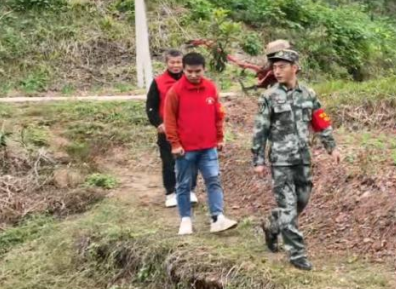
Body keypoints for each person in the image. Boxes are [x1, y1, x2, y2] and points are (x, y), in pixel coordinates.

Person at [252, 49, 341, 271]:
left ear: (295, 68)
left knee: (302, 200)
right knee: (288, 207)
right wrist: (258, 160)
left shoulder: (308, 94)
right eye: (275, 67)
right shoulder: (269, 97)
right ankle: (296, 253)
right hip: (280, 160)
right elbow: (260, 130)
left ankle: (273, 224)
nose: (277, 71)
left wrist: (332, 147)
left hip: (302, 158)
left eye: (282, 67)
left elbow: (320, 121)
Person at [163, 52, 238, 235]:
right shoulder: (175, 91)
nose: (194, 75)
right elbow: (169, 120)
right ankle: (185, 220)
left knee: (213, 180)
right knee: (184, 184)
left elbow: (218, 115)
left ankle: (217, 218)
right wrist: (175, 144)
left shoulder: (211, 88)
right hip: (185, 150)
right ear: (183, 70)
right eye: (189, 71)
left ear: (204, 69)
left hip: (208, 147)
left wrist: (219, 137)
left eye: (198, 71)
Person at [145, 49, 197, 208]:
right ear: (166, 63)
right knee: (169, 162)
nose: (176, 65)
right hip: (167, 130)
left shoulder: (191, 80)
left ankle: (190, 190)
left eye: (178, 62)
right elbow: (151, 106)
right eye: (172, 62)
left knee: (191, 160)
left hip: (188, 129)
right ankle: (171, 193)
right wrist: (158, 123)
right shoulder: (158, 82)